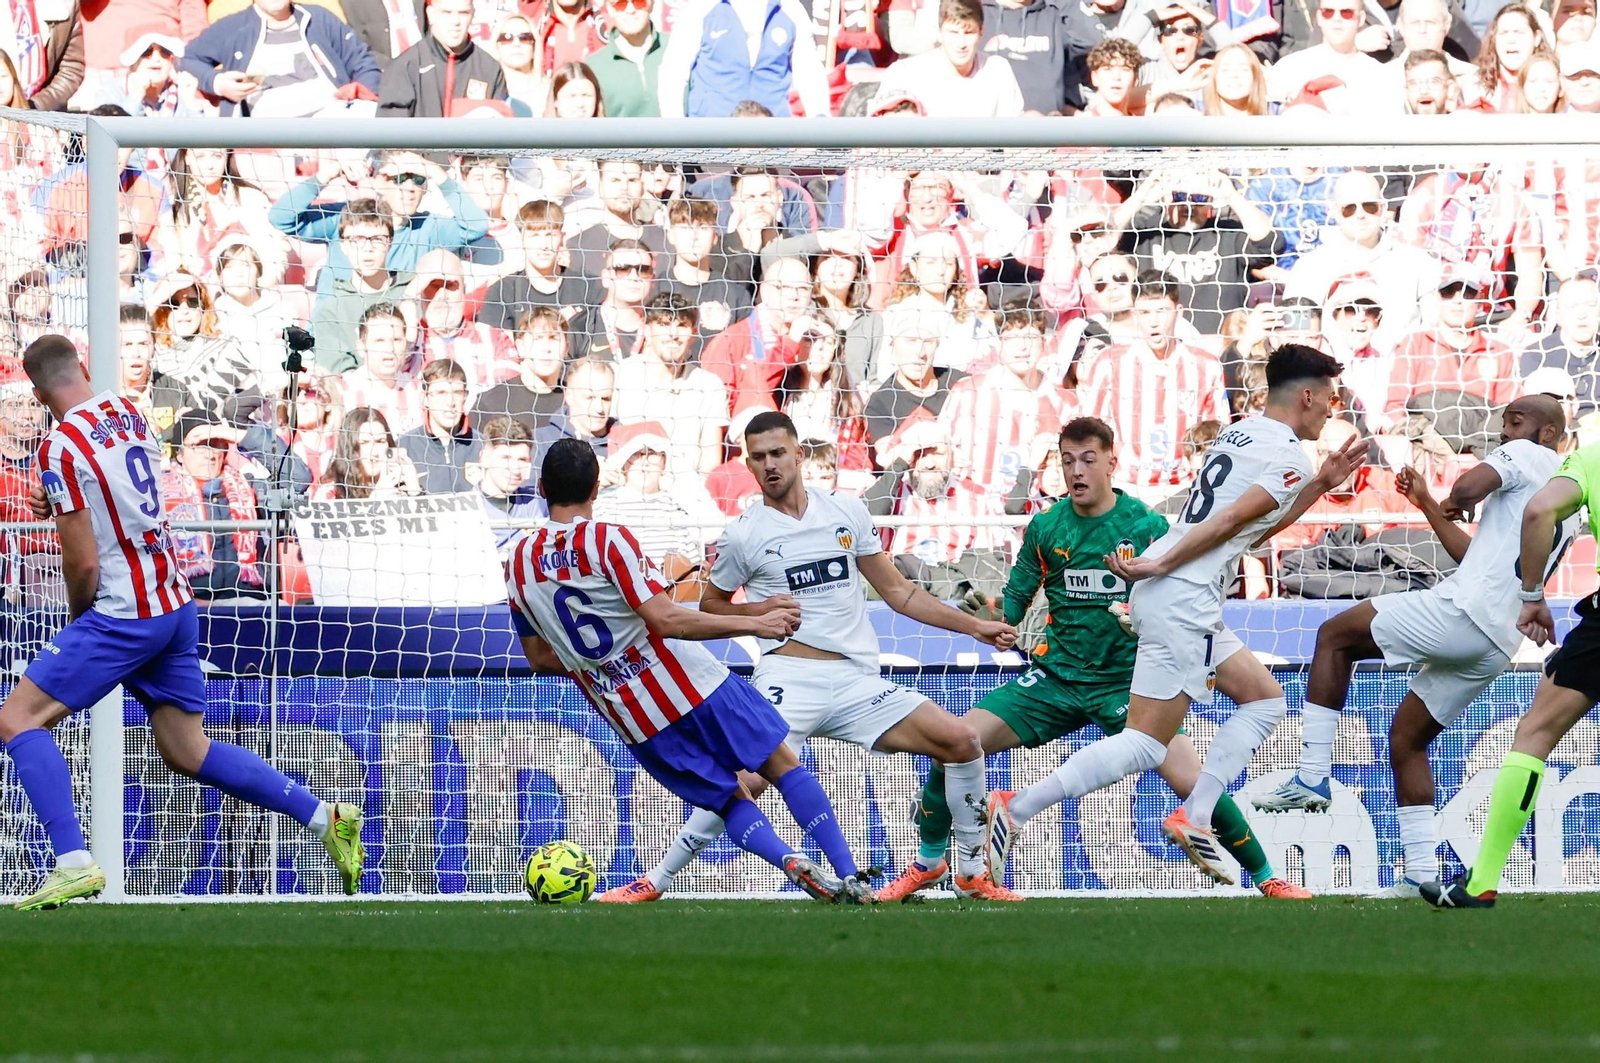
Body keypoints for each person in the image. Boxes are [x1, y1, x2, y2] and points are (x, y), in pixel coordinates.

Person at [1, 336, 364, 911]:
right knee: (186, 749)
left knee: (17, 719)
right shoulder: (124, 409)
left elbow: (83, 560)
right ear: (85, 369)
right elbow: (117, 495)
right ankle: (325, 818)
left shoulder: (59, 445)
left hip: (125, 613)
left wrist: (79, 622)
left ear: (42, 395)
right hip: (174, 600)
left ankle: (71, 863)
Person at [882, 417, 1311, 900]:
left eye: (1088, 460)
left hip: (1125, 685)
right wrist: (996, 618)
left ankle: (1267, 877)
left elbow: (1174, 589)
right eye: (1067, 462)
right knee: (956, 742)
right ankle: (928, 863)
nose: (1076, 472)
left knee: (1193, 779)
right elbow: (1016, 602)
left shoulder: (1144, 525)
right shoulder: (1047, 527)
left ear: (1112, 462)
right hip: (1053, 679)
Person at [601, 410, 1020, 903]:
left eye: (778, 453)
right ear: (749, 466)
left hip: (857, 682)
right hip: (788, 678)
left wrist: (976, 628)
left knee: (963, 741)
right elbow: (712, 605)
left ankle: (970, 875)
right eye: (758, 458)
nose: (770, 465)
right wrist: (760, 610)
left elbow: (899, 593)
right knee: (745, 784)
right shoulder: (742, 533)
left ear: (799, 454)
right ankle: (657, 879)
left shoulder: (847, 512)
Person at [988, 344, 1368, 885]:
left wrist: (1319, 487)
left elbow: (1247, 529)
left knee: (1263, 700)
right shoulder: (1286, 455)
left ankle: (1196, 814)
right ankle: (1017, 808)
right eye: (1329, 398)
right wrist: (1161, 563)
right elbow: (1229, 520)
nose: (1332, 410)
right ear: (1307, 395)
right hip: (1181, 595)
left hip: (1184, 594)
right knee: (1146, 742)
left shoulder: (1240, 434)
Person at [509, 437, 870, 902]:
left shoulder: (516, 561)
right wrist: (755, 619)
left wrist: (603, 664)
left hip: (633, 713)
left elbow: (539, 657)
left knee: (725, 796)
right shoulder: (607, 539)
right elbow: (666, 619)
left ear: (540, 487)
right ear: (597, 488)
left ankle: (787, 861)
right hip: (694, 681)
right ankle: (850, 874)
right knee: (781, 763)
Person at [1254, 398, 1573, 895]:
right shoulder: (1564, 501)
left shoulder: (1532, 458)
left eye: (1516, 422)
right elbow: (1475, 556)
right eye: (1504, 422)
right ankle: (1420, 874)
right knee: (1407, 739)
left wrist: (1457, 497)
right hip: (1497, 640)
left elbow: (1468, 486)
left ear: (1550, 433)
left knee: (1333, 638)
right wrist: (1428, 503)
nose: (1505, 432)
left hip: (1461, 613)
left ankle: (1312, 776)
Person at [1424, 438, 1600, 907]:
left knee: (1535, 733)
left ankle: (1481, 881)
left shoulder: (1590, 457)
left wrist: (1532, 595)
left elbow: (1539, 511)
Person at [270, 149, 490, 299]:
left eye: (419, 178)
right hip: (335, 335)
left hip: (391, 342)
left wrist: (435, 172)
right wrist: (329, 173)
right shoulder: (348, 216)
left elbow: (476, 226)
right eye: (400, 178)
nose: (410, 187)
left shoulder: (427, 228)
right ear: (378, 181)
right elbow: (281, 218)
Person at [1084, 271, 1229, 492]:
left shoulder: (1206, 366)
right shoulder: (1108, 363)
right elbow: (1088, 432)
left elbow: (1218, 433)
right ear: (1134, 314)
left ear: (1178, 313)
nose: (1153, 322)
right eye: (1144, 312)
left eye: (1161, 311)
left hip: (1184, 487)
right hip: (1124, 488)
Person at [1285, 170, 1443, 351]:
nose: (1360, 215)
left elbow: (1434, 330)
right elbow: (1294, 336)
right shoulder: (1310, 267)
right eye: (1349, 208)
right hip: (1331, 375)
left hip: (1402, 374)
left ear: (1382, 208)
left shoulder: (1417, 262)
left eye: (1369, 206)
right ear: (1333, 211)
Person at [179, 0, 383, 118]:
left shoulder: (319, 20)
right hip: (266, 139)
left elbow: (363, 62)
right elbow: (189, 59)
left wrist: (359, 97)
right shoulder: (233, 28)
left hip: (332, 126)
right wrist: (218, 83)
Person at [612, 293, 728, 480]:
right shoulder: (620, 376)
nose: (673, 335)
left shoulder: (709, 386)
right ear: (647, 331)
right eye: (664, 325)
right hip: (627, 491)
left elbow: (710, 464)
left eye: (682, 326)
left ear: (694, 333)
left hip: (687, 494)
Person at [655, 0, 830, 117]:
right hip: (711, 149)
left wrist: (821, 121)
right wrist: (675, 138)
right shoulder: (701, 7)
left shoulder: (791, 9)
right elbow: (673, 73)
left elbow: (810, 74)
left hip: (773, 147)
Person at [310, 199, 413, 373]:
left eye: (378, 239)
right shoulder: (330, 312)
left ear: (390, 242)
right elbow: (340, 374)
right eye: (356, 240)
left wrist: (414, 290)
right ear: (343, 245)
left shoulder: (414, 291)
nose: (368, 248)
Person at [874, 0, 1024, 117]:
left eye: (969, 32)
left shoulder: (998, 71)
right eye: (953, 32)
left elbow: (1013, 140)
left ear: (981, 33)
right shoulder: (904, 74)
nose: (961, 43)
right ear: (939, 32)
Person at [148, 274, 259, 417]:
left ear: (203, 307)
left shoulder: (227, 347)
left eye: (193, 302)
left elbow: (205, 405)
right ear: (161, 309)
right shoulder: (150, 350)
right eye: (173, 303)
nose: (184, 310)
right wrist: (155, 300)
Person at [377, 0, 510, 116]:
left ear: (473, 14)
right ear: (431, 15)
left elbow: (498, 133)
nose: (455, 21)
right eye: (446, 13)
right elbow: (390, 136)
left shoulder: (490, 68)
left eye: (463, 13)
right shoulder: (405, 67)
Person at [480, 199, 592, 334]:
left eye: (550, 235)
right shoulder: (502, 293)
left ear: (562, 238)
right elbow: (497, 347)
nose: (543, 245)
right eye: (534, 236)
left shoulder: (588, 287)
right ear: (520, 239)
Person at [1266, 0, 1393, 113]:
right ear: (1319, 17)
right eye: (1328, 12)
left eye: (1346, 12)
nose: (1337, 18)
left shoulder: (1380, 75)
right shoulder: (1289, 68)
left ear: (1360, 18)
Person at [470, 306, 569, 431]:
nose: (546, 348)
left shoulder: (577, 401)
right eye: (537, 338)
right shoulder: (490, 404)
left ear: (567, 348)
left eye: (553, 338)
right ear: (520, 347)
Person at [1520, 273, 1600, 419]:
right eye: (1572, 306)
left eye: (1591, 305)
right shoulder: (1537, 355)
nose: (1581, 314)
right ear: (1558, 315)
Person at [339, 303, 425, 435]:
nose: (390, 348)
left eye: (396, 340)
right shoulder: (342, 391)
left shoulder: (420, 392)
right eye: (380, 341)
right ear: (361, 347)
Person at [397, 358, 481, 493]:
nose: (450, 402)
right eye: (441, 393)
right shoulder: (404, 448)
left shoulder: (483, 446)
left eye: (457, 393)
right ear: (425, 398)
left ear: (465, 396)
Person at [980, 0, 1073, 114]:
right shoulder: (978, 13)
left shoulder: (1053, 15)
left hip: (1047, 125)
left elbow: (1088, 45)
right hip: (991, 125)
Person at [117, 304, 194, 437]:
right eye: (127, 345)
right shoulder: (100, 392)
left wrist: (187, 428)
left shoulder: (176, 391)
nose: (136, 353)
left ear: (153, 346)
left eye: (143, 344)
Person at [317, 406, 423, 499]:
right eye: (364, 442)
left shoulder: (401, 487)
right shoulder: (331, 492)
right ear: (349, 447)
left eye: (380, 441)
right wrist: (373, 504)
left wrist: (416, 492)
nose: (374, 452)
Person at [470, 415, 542, 548]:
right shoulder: (467, 509)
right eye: (506, 458)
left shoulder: (536, 503)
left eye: (522, 460)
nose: (515, 469)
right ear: (484, 458)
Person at [533, 357, 617, 472]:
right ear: (569, 396)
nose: (599, 408)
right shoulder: (540, 442)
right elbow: (529, 488)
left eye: (606, 399)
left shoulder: (628, 443)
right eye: (590, 397)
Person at [587, 0, 668, 117]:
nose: (630, 10)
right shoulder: (593, 68)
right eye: (621, 3)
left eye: (639, 2)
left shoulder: (677, 49)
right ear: (610, 10)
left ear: (652, 4)